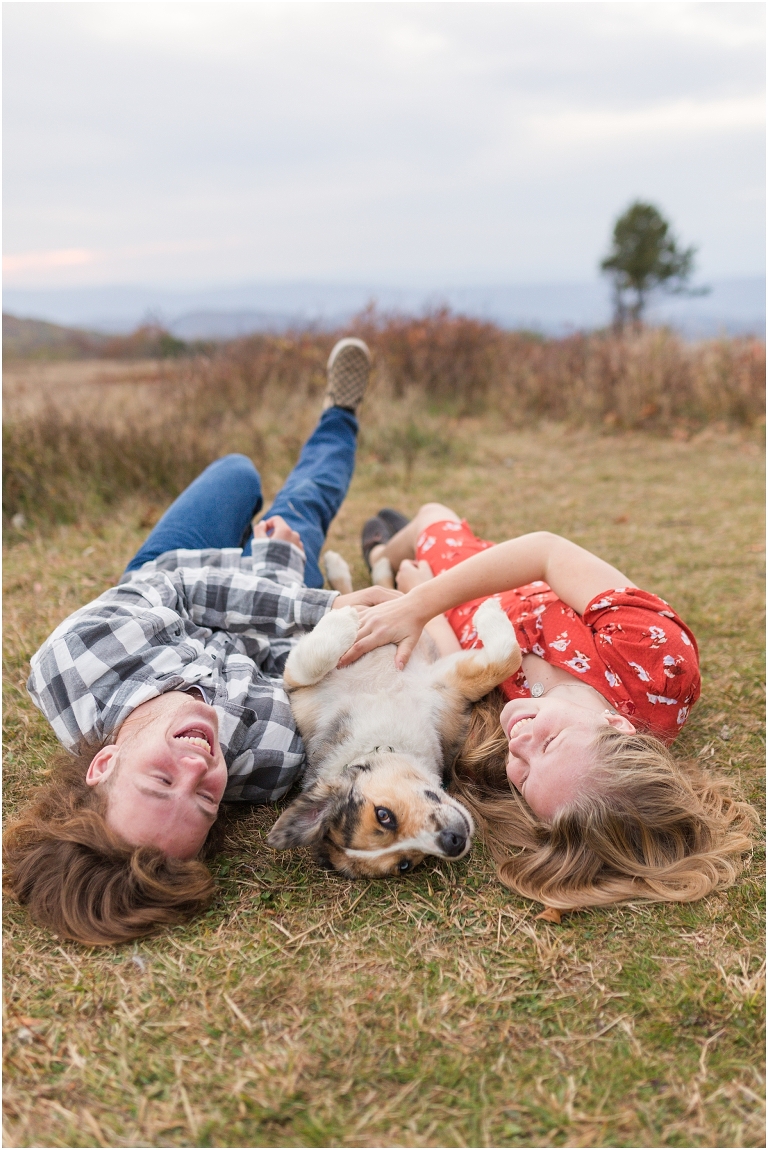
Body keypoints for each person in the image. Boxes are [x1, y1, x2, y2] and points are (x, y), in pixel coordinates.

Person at [4, 338, 399, 946]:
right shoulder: (271, 759)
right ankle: (339, 414)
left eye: (161, 782)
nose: (198, 768)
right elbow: (289, 663)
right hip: (253, 609)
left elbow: (182, 587)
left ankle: (252, 536)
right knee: (303, 506)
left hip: (169, 581)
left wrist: (321, 604)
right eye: (205, 801)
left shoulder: (76, 658)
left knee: (236, 473)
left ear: (104, 764)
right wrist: (279, 562)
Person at [344, 503, 755, 911]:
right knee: (433, 517)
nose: (518, 744)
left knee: (414, 561)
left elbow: (454, 669)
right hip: (501, 574)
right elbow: (545, 552)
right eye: (550, 742)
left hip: (456, 617)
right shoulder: (656, 660)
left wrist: (419, 596)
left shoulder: (497, 753)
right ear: (616, 724)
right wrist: (419, 603)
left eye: (524, 778)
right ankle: (387, 551)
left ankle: (384, 558)